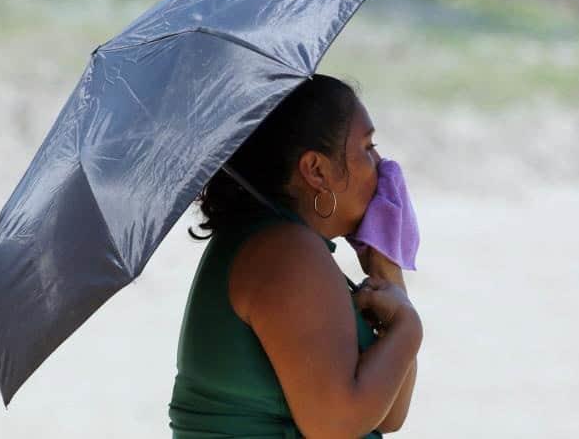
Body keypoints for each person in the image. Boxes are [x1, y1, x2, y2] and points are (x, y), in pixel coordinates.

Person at [168, 74, 422, 438]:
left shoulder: (279, 242)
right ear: (316, 171)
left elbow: (386, 414)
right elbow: (336, 424)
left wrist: (386, 272)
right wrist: (409, 327)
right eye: (368, 147)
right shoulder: (286, 254)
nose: (382, 166)